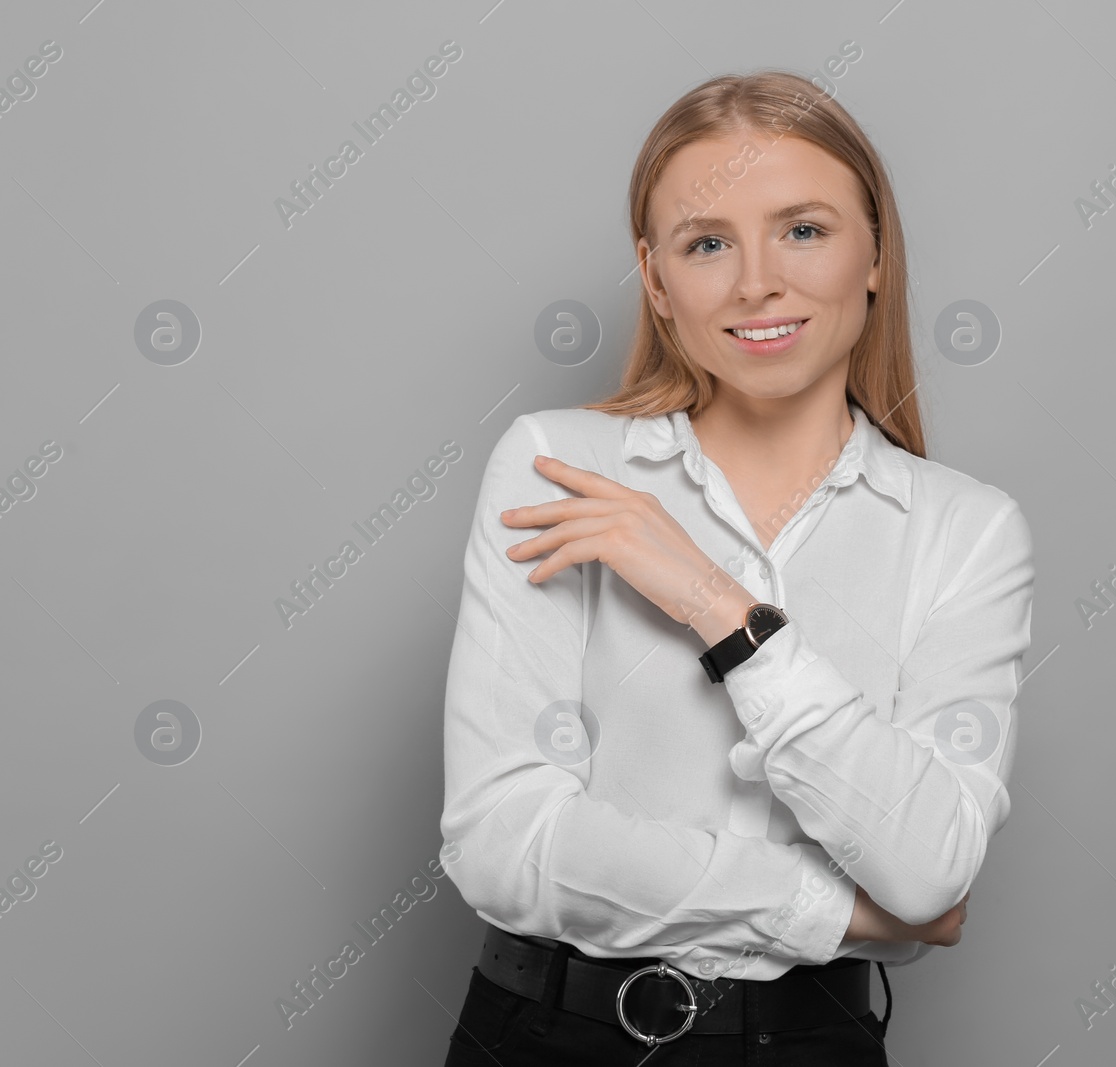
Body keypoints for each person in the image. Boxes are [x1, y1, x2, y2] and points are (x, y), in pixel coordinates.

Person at [439, 68, 1037, 1065]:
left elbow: (927, 868)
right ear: (658, 277)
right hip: (548, 1038)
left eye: (802, 229)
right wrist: (834, 906)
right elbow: (502, 844)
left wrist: (713, 601)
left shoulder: (965, 530)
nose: (757, 279)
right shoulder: (557, 465)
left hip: (811, 1043)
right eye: (707, 242)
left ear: (875, 252)